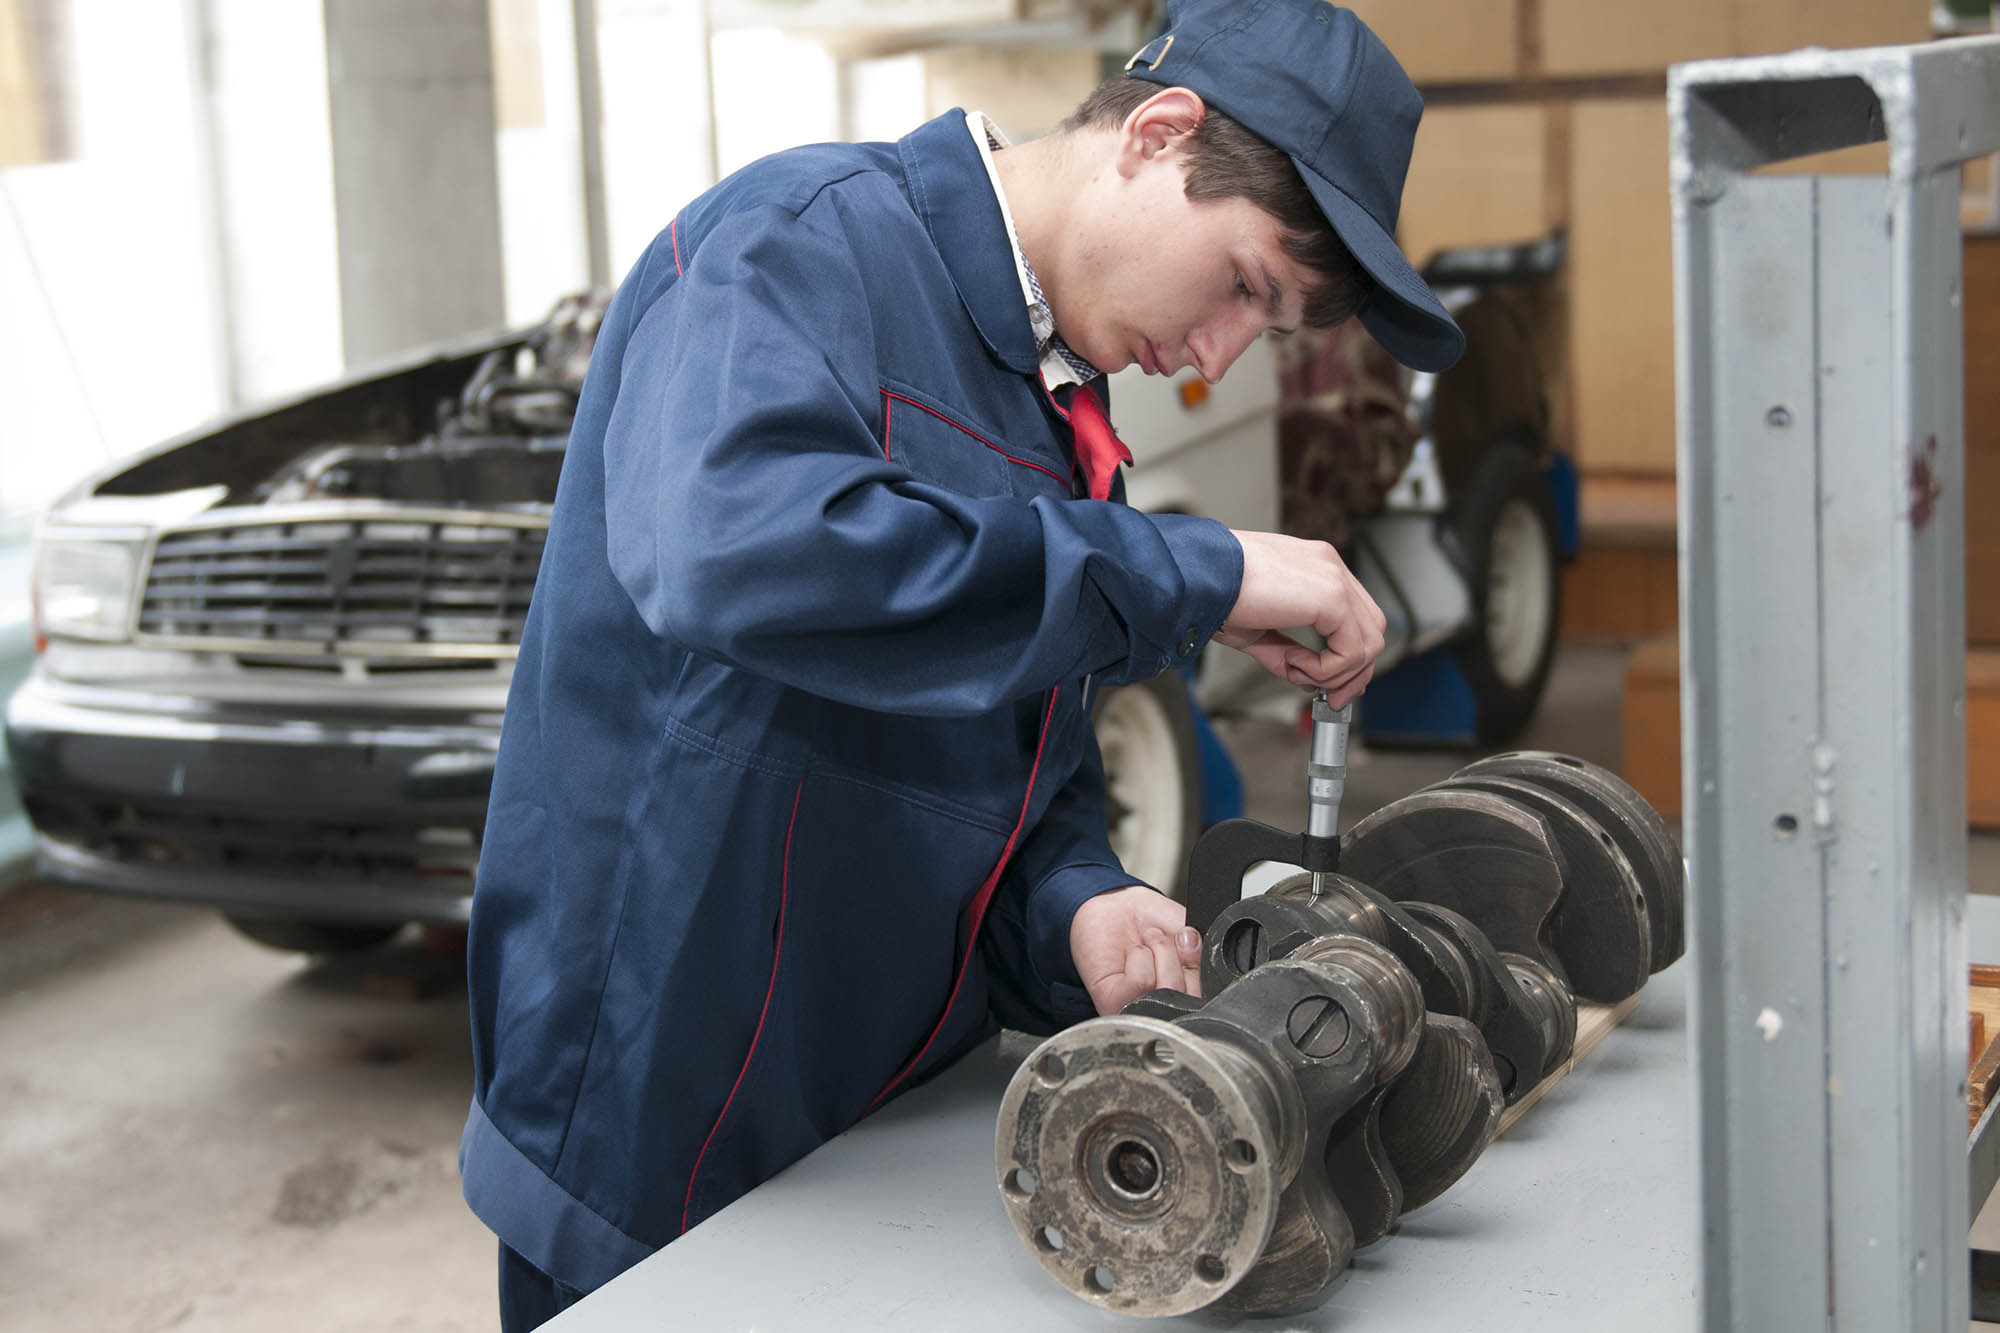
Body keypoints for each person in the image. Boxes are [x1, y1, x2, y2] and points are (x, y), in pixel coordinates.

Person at [459, 1, 1463, 1325]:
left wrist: (1078, 901)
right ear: (1160, 136)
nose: (1218, 356)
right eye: (1240, 286)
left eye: (1261, 330)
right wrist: (1191, 568)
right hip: (660, 1134)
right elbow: (735, 554)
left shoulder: (1058, 408)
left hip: (879, 1130)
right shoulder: (796, 251)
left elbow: (1006, 762)